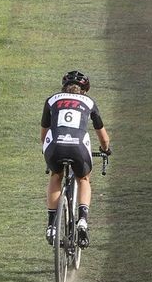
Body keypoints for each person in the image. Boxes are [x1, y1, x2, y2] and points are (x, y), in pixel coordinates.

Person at [43, 70, 111, 249]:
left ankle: (51, 226)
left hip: (55, 147)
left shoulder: (52, 100)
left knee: (56, 176)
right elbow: (104, 139)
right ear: (84, 91)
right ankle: (82, 220)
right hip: (79, 148)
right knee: (84, 178)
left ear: (63, 88)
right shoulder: (89, 102)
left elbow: (44, 135)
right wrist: (105, 151)